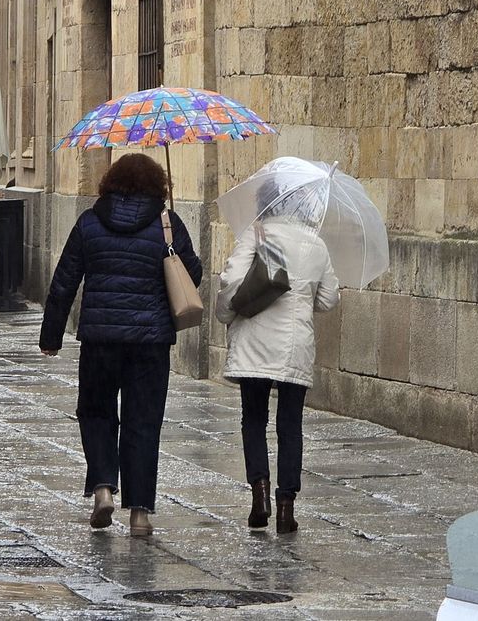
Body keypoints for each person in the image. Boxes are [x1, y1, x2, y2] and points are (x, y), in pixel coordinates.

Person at [39, 154, 203, 536]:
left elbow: (64, 282)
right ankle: (140, 515)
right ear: (157, 186)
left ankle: (102, 489)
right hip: (150, 342)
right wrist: (172, 244)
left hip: (100, 339)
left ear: (109, 183)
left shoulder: (89, 222)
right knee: (142, 421)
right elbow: (191, 275)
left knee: (96, 412)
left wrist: (51, 337)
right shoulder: (167, 223)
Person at [214, 182, 340, 534]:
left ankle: (260, 494)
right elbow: (328, 299)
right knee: (290, 424)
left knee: (253, 418)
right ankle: (286, 507)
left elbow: (232, 280)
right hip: (295, 344)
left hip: (255, 340)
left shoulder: (256, 234)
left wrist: (225, 313)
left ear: (263, 203)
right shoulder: (316, 244)